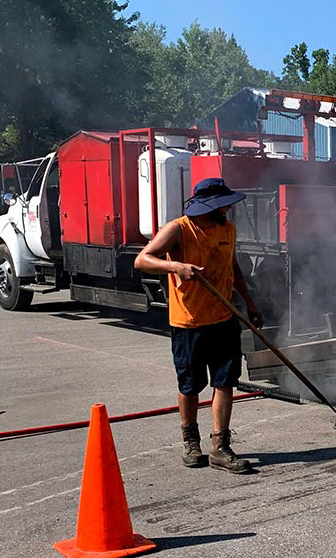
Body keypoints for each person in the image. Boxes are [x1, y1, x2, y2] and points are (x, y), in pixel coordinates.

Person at [134, 177, 263, 474]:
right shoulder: (178, 229)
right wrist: (175, 266)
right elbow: (143, 260)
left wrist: (250, 302)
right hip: (189, 323)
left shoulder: (227, 228)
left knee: (225, 382)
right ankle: (190, 441)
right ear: (211, 206)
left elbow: (233, 267)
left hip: (224, 317)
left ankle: (220, 446)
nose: (228, 208)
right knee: (190, 386)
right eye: (224, 204)